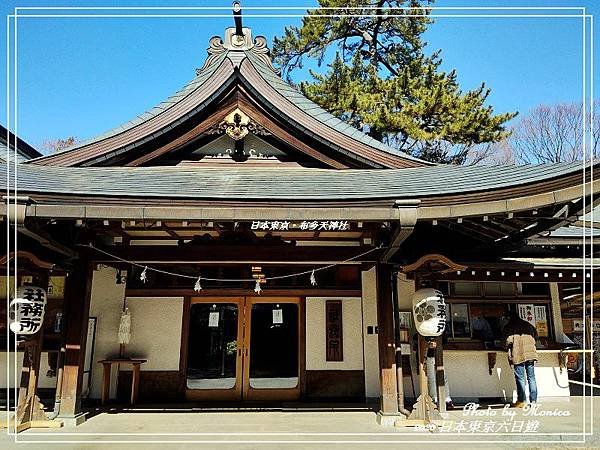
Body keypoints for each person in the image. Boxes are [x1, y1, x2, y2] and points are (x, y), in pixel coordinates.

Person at [503, 310, 538, 407]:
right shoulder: (528, 325)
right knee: (531, 377)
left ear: (509, 318)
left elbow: (507, 341)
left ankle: (522, 400)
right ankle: (534, 401)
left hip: (518, 354)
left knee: (520, 378)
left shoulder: (509, 327)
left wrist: (504, 347)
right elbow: (535, 336)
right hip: (530, 354)